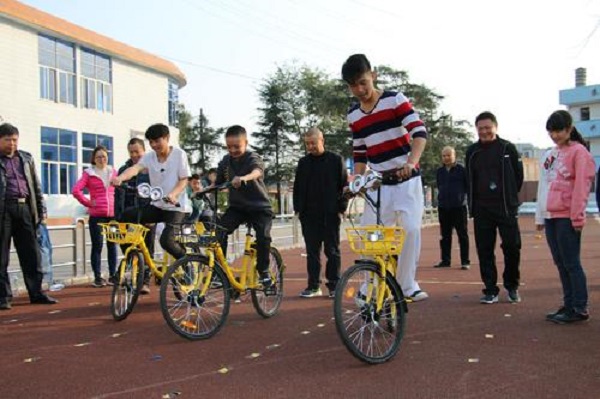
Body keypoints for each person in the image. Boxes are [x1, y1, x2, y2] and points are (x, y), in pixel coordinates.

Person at [342, 54, 428, 302]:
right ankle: (369, 287)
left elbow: (419, 133)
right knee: (371, 237)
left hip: (406, 180)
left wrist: (411, 163)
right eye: (353, 86)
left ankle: (406, 284)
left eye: (363, 82)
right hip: (377, 184)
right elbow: (360, 150)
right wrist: (356, 180)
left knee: (410, 230)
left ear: (373, 75)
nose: (359, 90)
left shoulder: (394, 100)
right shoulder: (354, 114)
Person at [535, 110, 595, 324]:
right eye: (551, 131)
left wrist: (577, 217)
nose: (554, 135)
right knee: (560, 262)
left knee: (571, 262)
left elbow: (581, 187)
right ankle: (569, 303)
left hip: (567, 216)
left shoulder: (580, 153)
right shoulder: (551, 154)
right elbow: (544, 185)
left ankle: (580, 306)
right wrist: (540, 216)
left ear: (569, 129)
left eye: (558, 131)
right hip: (551, 215)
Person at [465, 111, 523, 304]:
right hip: (482, 209)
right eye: (480, 128)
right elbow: (469, 179)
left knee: (512, 247)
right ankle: (490, 289)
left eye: (487, 128)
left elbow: (518, 177)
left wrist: (510, 198)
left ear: (495, 127)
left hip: (505, 207)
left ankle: (512, 286)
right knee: (484, 250)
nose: (484, 131)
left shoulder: (508, 148)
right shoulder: (472, 152)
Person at [111, 123, 191, 262]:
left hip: (176, 208)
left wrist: (173, 194)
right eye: (151, 142)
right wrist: (120, 178)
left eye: (157, 141)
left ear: (167, 138)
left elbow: (184, 180)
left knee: (166, 241)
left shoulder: (179, 154)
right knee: (126, 216)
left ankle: (187, 262)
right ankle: (132, 257)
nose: (154, 145)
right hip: (157, 206)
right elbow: (135, 168)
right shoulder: (149, 157)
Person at [0, 123, 58, 310]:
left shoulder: (26, 158)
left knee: (32, 254)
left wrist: (41, 211)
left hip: (25, 208)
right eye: (7, 139)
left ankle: (37, 292)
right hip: (4, 210)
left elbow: (36, 187)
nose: (12, 144)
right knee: (2, 257)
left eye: (15, 139)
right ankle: (3, 297)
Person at [212, 125, 274, 287]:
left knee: (263, 237)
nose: (232, 150)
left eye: (237, 146)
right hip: (238, 208)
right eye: (229, 147)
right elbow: (217, 182)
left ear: (245, 143)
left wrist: (244, 178)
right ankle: (219, 271)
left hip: (259, 207)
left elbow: (257, 172)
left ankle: (264, 271)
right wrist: (201, 191)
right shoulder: (226, 161)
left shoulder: (252, 157)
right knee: (219, 231)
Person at [293, 127, 348, 298]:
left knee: (332, 251)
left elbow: (344, 186)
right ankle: (313, 286)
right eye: (307, 144)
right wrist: (298, 210)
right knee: (312, 252)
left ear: (322, 141)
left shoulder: (336, 160)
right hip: (309, 215)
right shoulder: (303, 163)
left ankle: (334, 286)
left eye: (313, 143)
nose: (310, 147)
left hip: (330, 213)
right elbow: (298, 188)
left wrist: (342, 208)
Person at [72, 145, 118, 287]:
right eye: (98, 157)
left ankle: (113, 275)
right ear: (93, 159)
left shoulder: (113, 172)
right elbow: (76, 190)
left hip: (112, 216)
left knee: (112, 245)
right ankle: (97, 277)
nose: (101, 159)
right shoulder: (89, 173)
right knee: (97, 246)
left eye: (104, 156)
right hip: (97, 216)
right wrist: (88, 203)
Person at [115, 137, 156, 295]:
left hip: (147, 213)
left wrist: (153, 214)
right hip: (128, 213)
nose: (134, 155)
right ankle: (129, 272)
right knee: (127, 245)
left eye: (137, 152)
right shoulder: (124, 169)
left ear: (144, 151)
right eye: (131, 152)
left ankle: (145, 280)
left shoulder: (151, 168)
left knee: (147, 247)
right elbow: (118, 196)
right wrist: (117, 215)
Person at [434, 146, 470, 270]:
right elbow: (439, 186)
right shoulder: (440, 171)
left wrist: (462, 199)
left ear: (454, 156)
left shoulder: (462, 170)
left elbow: (467, 187)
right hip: (444, 207)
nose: (446, 158)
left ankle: (465, 261)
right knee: (445, 236)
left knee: (462, 235)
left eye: (449, 155)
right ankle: (445, 260)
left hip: (459, 207)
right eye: (444, 156)